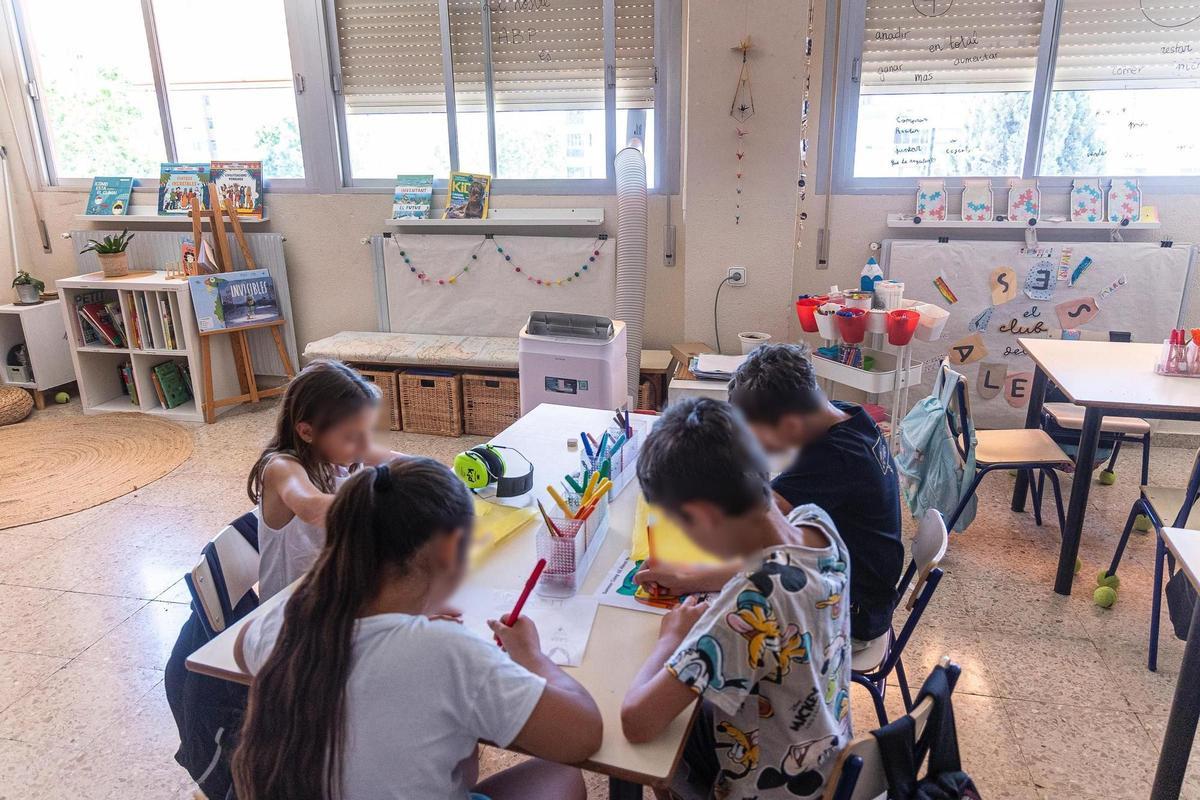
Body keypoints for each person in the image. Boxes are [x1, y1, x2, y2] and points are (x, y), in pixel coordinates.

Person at [232, 457, 602, 800]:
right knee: (562, 775)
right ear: (449, 552)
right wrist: (531, 655)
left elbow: (241, 648)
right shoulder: (443, 649)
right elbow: (582, 735)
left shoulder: (286, 618)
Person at [621, 398, 851, 800]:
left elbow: (636, 721)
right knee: (693, 715)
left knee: (654, 752)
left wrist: (670, 640)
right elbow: (775, 570)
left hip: (768, 787)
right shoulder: (816, 524)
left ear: (703, 517)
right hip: (827, 760)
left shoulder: (749, 608)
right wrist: (686, 579)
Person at [639, 344, 904, 645]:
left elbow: (763, 545)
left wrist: (688, 577)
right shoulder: (847, 415)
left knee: (708, 631)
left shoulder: (833, 459)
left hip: (852, 613)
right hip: (863, 584)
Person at [247, 359, 404, 599]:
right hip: (290, 612)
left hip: (335, 594)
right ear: (307, 432)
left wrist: (441, 480)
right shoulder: (282, 467)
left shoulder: (347, 451)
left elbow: (405, 463)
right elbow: (311, 508)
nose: (365, 445)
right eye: (352, 436)